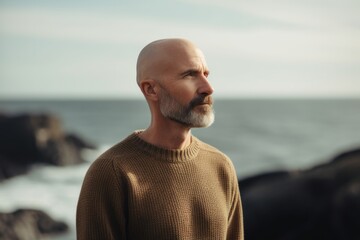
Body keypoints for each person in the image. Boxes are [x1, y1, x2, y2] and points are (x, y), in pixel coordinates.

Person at [76, 38, 244, 239]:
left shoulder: (221, 166)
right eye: (190, 75)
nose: (208, 88)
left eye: (205, 74)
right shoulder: (111, 173)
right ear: (151, 89)